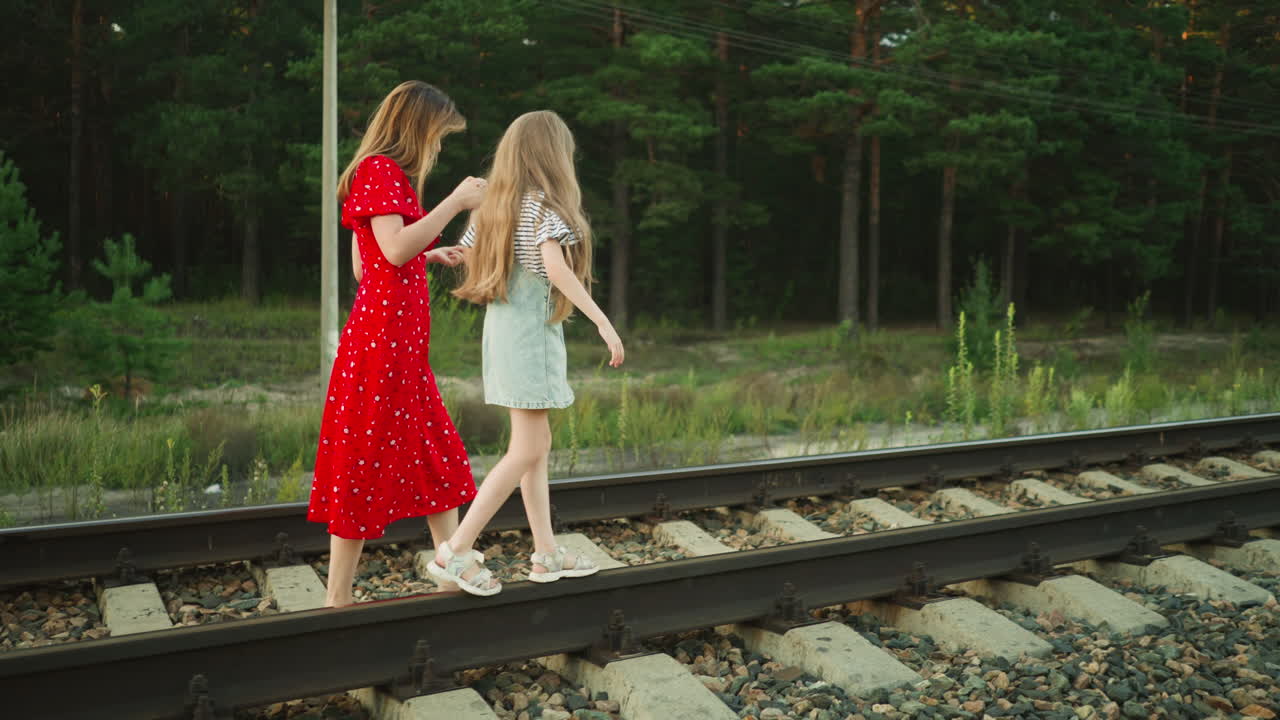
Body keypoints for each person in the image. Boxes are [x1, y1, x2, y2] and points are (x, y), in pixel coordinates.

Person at [427, 110, 624, 597]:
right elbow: (555, 269)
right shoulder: (543, 208)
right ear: (553, 155)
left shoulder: (494, 207)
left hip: (501, 332)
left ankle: (546, 553)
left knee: (537, 448)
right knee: (527, 450)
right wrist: (602, 321)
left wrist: (437, 254)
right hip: (529, 338)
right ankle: (456, 550)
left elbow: (468, 255)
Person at [307, 80, 488, 608]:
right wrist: (454, 203)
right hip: (384, 345)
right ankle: (337, 601)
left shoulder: (380, 177)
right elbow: (387, 252)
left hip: (397, 347)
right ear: (417, 128)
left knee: (438, 456)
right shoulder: (380, 172)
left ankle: (449, 569)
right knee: (364, 460)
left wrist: (427, 257)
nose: (437, 147)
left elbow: (369, 262)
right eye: (437, 136)